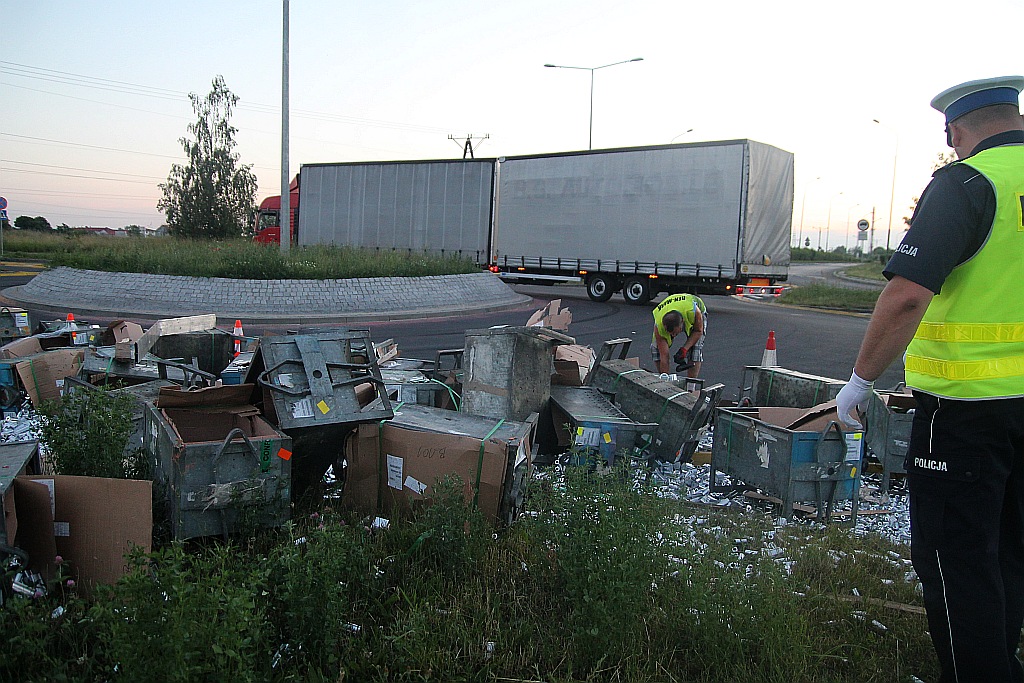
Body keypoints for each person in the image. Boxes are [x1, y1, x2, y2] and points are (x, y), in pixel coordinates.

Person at [835, 75, 1024, 683]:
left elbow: (906, 297)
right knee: (1011, 548)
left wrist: (860, 382)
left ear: (956, 131)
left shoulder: (968, 183)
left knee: (955, 557)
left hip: (966, 411)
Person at [651, 293, 706, 378]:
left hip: (692, 305)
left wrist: (684, 349)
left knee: (695, 350)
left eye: (675, 333)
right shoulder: (659, 325)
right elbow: (664, 355)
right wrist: (666, 382)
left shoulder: (693, 312)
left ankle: (690, 388)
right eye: (670, 334)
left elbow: (698, 331)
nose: (673, 335)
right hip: (669, 307)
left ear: (682, 324)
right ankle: (663, 379)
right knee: (655, 349)